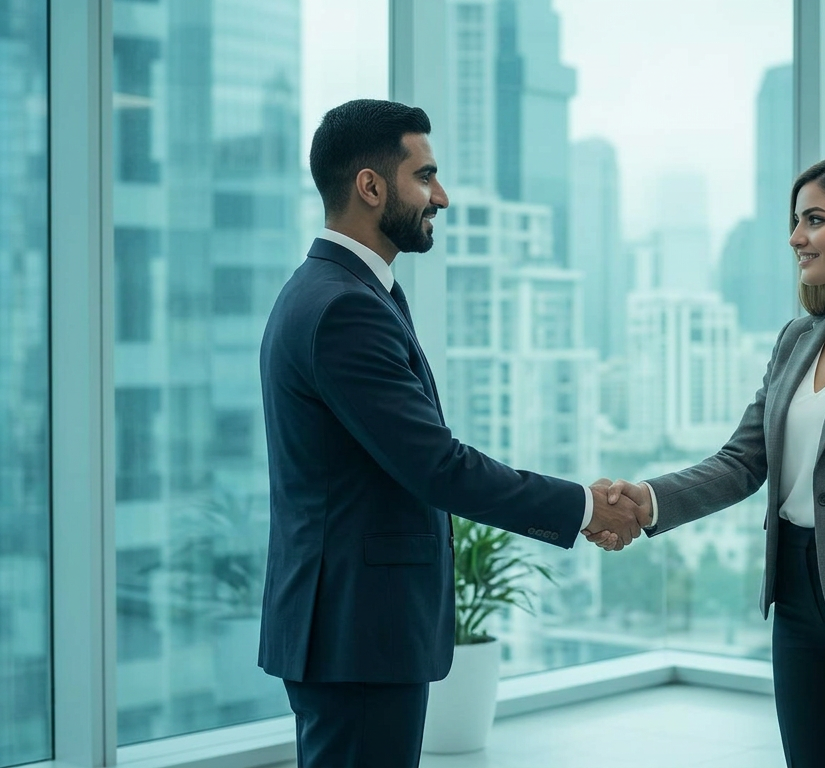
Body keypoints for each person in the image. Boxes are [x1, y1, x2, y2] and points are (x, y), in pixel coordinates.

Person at [258, 98, 646, 768]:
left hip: (348, 626)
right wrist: (584, 507)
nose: (442, 195)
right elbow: (437, 466)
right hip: (357, 630)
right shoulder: (345, 306)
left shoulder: (338, 291)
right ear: (371, 186)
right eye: (425, 175)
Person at [592, 154, 825, 768]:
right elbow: (743, 461)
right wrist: (648, 499)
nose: (796, 237)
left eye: (815, 220)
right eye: (796, 221)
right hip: (796, 598)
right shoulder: (798, 338)